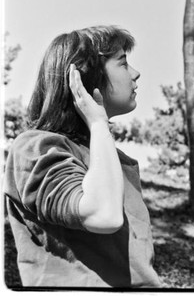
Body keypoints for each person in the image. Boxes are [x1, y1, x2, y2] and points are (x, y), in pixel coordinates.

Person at [4, 25, 161, 288]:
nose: (136, 73)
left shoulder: (116, 161)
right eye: (123, 62)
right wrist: (99, 124)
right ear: (85, 77)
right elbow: (103, 216)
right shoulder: (34, 147)